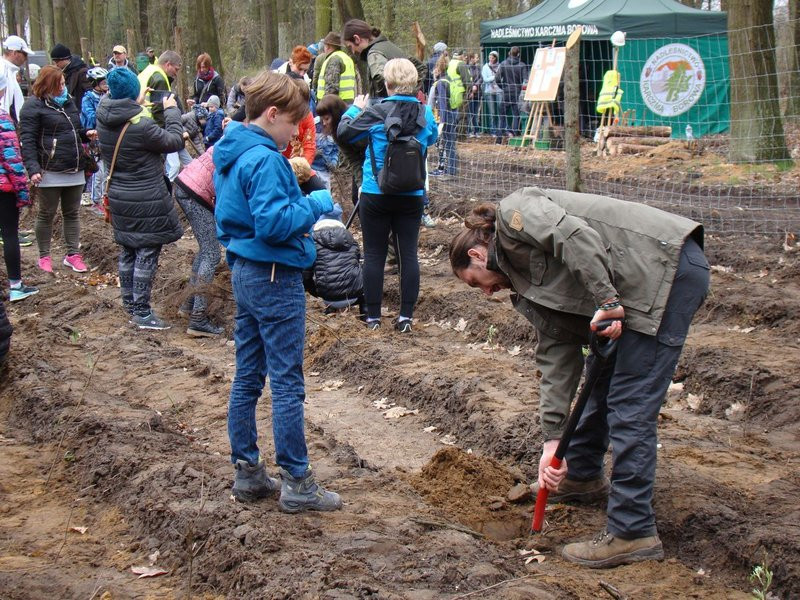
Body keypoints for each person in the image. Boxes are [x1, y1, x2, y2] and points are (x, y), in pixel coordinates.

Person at [449, 187, 710, 568]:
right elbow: (556, 358)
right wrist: (552, 442)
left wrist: (606, 300)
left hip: (662, 270)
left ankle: (633, 531)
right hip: (633, 289)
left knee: (629, 405)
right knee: (598, 379)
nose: (485, 293)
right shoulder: (523, 291)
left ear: (477, 254)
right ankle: (583, 476)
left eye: (475, 282)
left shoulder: (516, 213)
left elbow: (576, 238)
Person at [213, 69, 342, 513]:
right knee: (287, 381)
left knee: (247, 375)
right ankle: (297, 480)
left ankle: (247, 471)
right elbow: (272, 223)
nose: (294, 134)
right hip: (273, 275)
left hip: (245, 272)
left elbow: (239, 214)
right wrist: (316, 204)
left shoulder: (231, 150)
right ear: (271, 114)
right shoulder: (265, 159)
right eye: (293, 124)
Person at [337, 58, 438, 333]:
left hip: (375, 192)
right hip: (412, 193)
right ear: (414, 82)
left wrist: (354, 108)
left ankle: (373, 318)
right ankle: (405, 317)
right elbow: (432, 139)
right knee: (409, 254)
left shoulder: (375, 110)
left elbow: (344, 132)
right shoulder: (425, 113)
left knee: (373, 255)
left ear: (387, 83)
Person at [96, 67, 185, 329]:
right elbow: (174, 141)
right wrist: (170, 111)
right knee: (147, 250)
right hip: (145, 197)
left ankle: (129, 304)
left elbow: (127, 117)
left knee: (128, 248)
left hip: (120, 196)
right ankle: (143, 312)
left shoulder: (104, 117)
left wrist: (135, 102)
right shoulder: (142, 125)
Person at [19, 65, 95, 275]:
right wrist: (33, 168)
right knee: (46, 214)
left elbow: (73, 130)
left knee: (72, 213)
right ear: (47, 85)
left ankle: (73, 254)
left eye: (63, 83)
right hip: (49, 170)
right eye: (59, 84)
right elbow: (27, 140)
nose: (63, 87)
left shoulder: (68, 103)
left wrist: (85, 133)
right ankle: (44, 256)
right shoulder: (33, 107)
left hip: (74, 168)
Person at [174, 140, 224, 337]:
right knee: (212, 254)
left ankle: (188, 305)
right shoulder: (245, 142)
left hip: (188, 184)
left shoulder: (235, 134)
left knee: (206, 251)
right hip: (196, 191)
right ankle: (198, 319)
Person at [0, 72, 38, 303]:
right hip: (3, 188)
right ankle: (15, 285)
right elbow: (12, 160)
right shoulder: (3, 119)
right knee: (9, 233)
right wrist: (23, 191)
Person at [341, 20, 427, 101]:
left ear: (357, 39)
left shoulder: (374, 54)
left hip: (388, 112)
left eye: (350, 46)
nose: (353, 51)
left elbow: (380, 80)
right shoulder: (388, 46)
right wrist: (410, 93)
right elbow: (420, 67)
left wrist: (386, 104)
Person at [138, 50, 184, 179]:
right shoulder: (159, 78)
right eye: (176, 69)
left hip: (139, 125)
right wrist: (165, 136)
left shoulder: (147, 71)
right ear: (168, 64)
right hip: (152, 129)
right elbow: (159, 110)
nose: (176, 73)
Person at [304, 217, 364, 315]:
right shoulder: (352, 241)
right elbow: (358, 261)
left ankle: (330, 308)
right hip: (355, 296)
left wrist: (317, 292)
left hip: (328, 298)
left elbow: (306, 275)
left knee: (325, 274)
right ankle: (366, 314)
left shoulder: (313, 244)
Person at [316, 94, 365, 210]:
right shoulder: (338, 134)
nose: (324, 123)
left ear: (336, 115)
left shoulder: (355, 122)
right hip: (361, 163)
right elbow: (354, 159)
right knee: (357, 198)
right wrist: (361, 184)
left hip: (377, 160)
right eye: (322, 119)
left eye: (327, 119)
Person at [81, 66, 110, 217]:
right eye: (103, 82)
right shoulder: (88, 99)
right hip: (92, 138)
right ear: (95, 83)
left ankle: (104, 199)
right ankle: (94, 200)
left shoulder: (107, 96)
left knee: (106, 172)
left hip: (105, 137)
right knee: (96, 171)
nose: (106, 84)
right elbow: (92, 117)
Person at [429, 55, 457, 176]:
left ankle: (446, 169)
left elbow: (442, 103)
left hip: (444, 117)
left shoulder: (440, 83)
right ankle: (451, 169)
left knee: (444, 143)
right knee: (450, 143)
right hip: (451, 114)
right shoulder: (449, 79)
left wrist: (441, 123)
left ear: (438, 68)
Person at [314, 32, 356, 105]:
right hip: (347, 102)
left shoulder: (334, 59)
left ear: (328, 46)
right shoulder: (346, 58)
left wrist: (327, 106)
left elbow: (332, 87)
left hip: (336, 105)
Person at [50, 43, 92, 110]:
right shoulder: (64, 72)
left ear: (65, 59)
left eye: (57, 61)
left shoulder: (82, 72)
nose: (56, 64)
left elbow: (90, 93)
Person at [1, 36, 32, 123]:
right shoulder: (4, 71)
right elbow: (3, 105)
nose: (26, 58)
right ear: (14, 53)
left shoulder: (10, 72)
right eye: (24, 54)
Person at [497, 46, 527, 136]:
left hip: (506, 92)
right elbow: (526, 80)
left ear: (509, 53)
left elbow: (497, 78)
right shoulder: (522, 65)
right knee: (516, 115)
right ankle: (514, 136)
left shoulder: (503, 64)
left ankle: (499, 138)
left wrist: (503, 87)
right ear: (518, 54)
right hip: (517, 92)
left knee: (502, 116)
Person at [481, 51, 502, 137]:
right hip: (489, 91)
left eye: (493, 58)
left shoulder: (500, 66)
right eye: (490, 57)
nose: (491, 59)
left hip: (499, 90)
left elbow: (502, 77)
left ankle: (501, 129)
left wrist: (496, 78)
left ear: (496, 58)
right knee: (492, 112)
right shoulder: (485, 67)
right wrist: (494, 77)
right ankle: (493, 130)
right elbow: (485, 79)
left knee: (501, 110)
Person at [466, 53, 482, 137]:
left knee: (476, 113)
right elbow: (467, 79)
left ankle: (476, 131)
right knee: (469, 113)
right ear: (471, 58)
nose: (477, 59)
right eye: (476, 57)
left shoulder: (478, 68)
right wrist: (472, 89)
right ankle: (468, 131)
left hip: (478, 93)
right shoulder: (466, 68)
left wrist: (476, 85)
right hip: (469, 94)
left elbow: (481, 78)